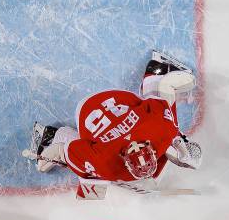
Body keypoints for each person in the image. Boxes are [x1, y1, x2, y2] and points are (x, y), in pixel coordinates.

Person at [25, 51, 201, 196]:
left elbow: (165, 90)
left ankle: (158, 70)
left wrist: (180, 145)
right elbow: (61, 151)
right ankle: (49, 136)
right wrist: (43, 160)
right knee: (89, 172)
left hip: (117, 100)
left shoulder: (162, 129)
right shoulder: (104, 163)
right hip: (87, 110)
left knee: (168, 125)